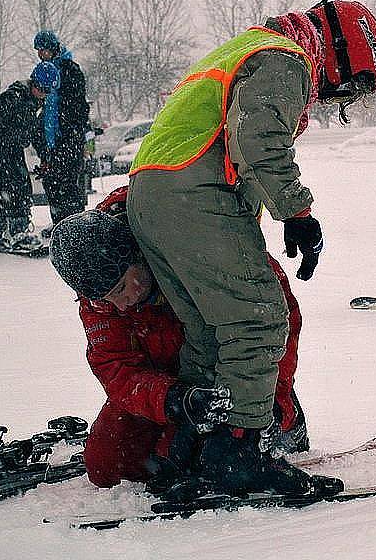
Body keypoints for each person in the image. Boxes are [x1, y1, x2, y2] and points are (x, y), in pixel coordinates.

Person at [126, 0, 376, 495]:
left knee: (208, 327)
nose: (334, 98)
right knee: (258, 316)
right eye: (347, 86)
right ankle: (238, 449)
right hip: (192, 194)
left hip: (151, 194)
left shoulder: (246, 48)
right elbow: (259, 139)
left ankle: (193, 444)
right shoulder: (286, 58)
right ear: (341, 52)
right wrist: (297, 212)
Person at [49, 186, 314, 490]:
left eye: (122, 289)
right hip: (170, 385)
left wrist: (274, 394)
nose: (120, 306)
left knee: (226, 456)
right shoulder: (97, 293)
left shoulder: (189, 241)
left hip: (227, 370)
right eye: (107, 300)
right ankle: (181, 449)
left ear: (139, 256)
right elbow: (116, 368)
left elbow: (272, 324)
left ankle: (282, 418)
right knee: (106, 464)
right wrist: (174, 400)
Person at [0, 62, 57, 252]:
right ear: (33, 83)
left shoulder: (37, 103)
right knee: (14, 188)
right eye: (42, 89)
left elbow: (37, 133)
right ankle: (17, 232)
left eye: (48, 91)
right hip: (0, 148)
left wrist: (45, 156)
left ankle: (1, 233)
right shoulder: (13, 98)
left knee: (19, 187)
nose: (44, 94)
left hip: (14, 148)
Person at [32, 30, 90, 237]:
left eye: (43, 49)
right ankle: (59, 222)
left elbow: (78, 107)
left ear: (53, 48)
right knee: (52, 181)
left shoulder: (70, 70)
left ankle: (73, 225)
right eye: (38, 50)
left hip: (67, 137)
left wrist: (72, 132)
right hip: (52, 138)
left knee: (66, 182)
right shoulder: (46, 69)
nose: (40, 54)